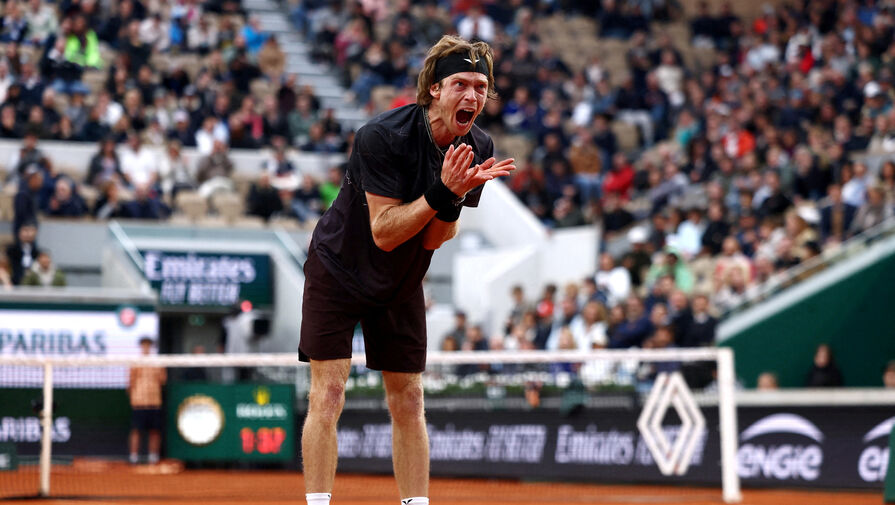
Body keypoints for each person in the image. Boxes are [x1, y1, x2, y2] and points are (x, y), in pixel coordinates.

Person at [298, 35, 514, 505]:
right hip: (339, 271)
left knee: (410, 399)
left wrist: (452, 197)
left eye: (481, 87)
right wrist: (443, 192)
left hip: (401, 278)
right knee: (328, 394)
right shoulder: (381, 136)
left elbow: (435, 238)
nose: (473, 95)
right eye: (461, 84)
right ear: (435, 89)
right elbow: (384, 232)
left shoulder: (477, 145)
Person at [128, 336, 166, 464]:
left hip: (154, 402)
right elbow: (130, 382)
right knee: (136, 430)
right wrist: (134, 397)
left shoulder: (157, 362)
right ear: (141, 346)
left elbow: (163, 380)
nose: (146, 347)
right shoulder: (135, 362)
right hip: (139, 402)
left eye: (148, 345)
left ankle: (153, 456)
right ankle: (133, 456)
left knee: (155, 431)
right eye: (144, 345)